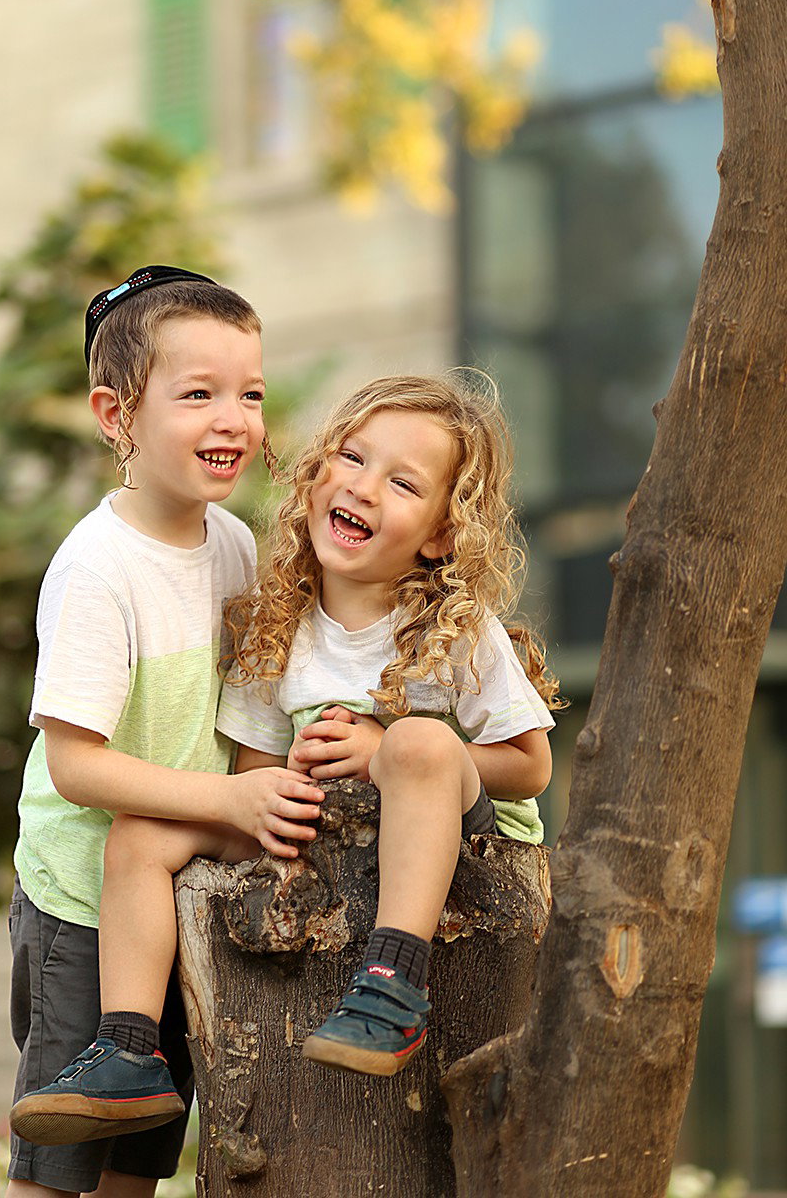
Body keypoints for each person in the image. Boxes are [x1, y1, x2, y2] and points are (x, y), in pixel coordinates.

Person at [6, 265, 324, 1198]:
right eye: (198, 395)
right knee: (63, 1167)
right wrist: (228, 799)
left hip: (178, 892)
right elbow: (75, 766)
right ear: (116, 416)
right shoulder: (98, 569)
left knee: (137, 1160)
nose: (234, 418)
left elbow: (250, 705)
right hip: (81, 906)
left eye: (251, 394)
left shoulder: (230, 542)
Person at [216, 372, 561, 1076]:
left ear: (441, 534)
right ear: (315, 474)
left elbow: (531, 765)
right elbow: (251, 774)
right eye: (352, 457)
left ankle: (394, 984)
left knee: (417, 742)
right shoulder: (276, 630)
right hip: (349, 848)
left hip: (475, 837)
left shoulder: (455, 629)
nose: (365, 488)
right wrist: (293, 773)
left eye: (403, 485)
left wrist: (383, 751)